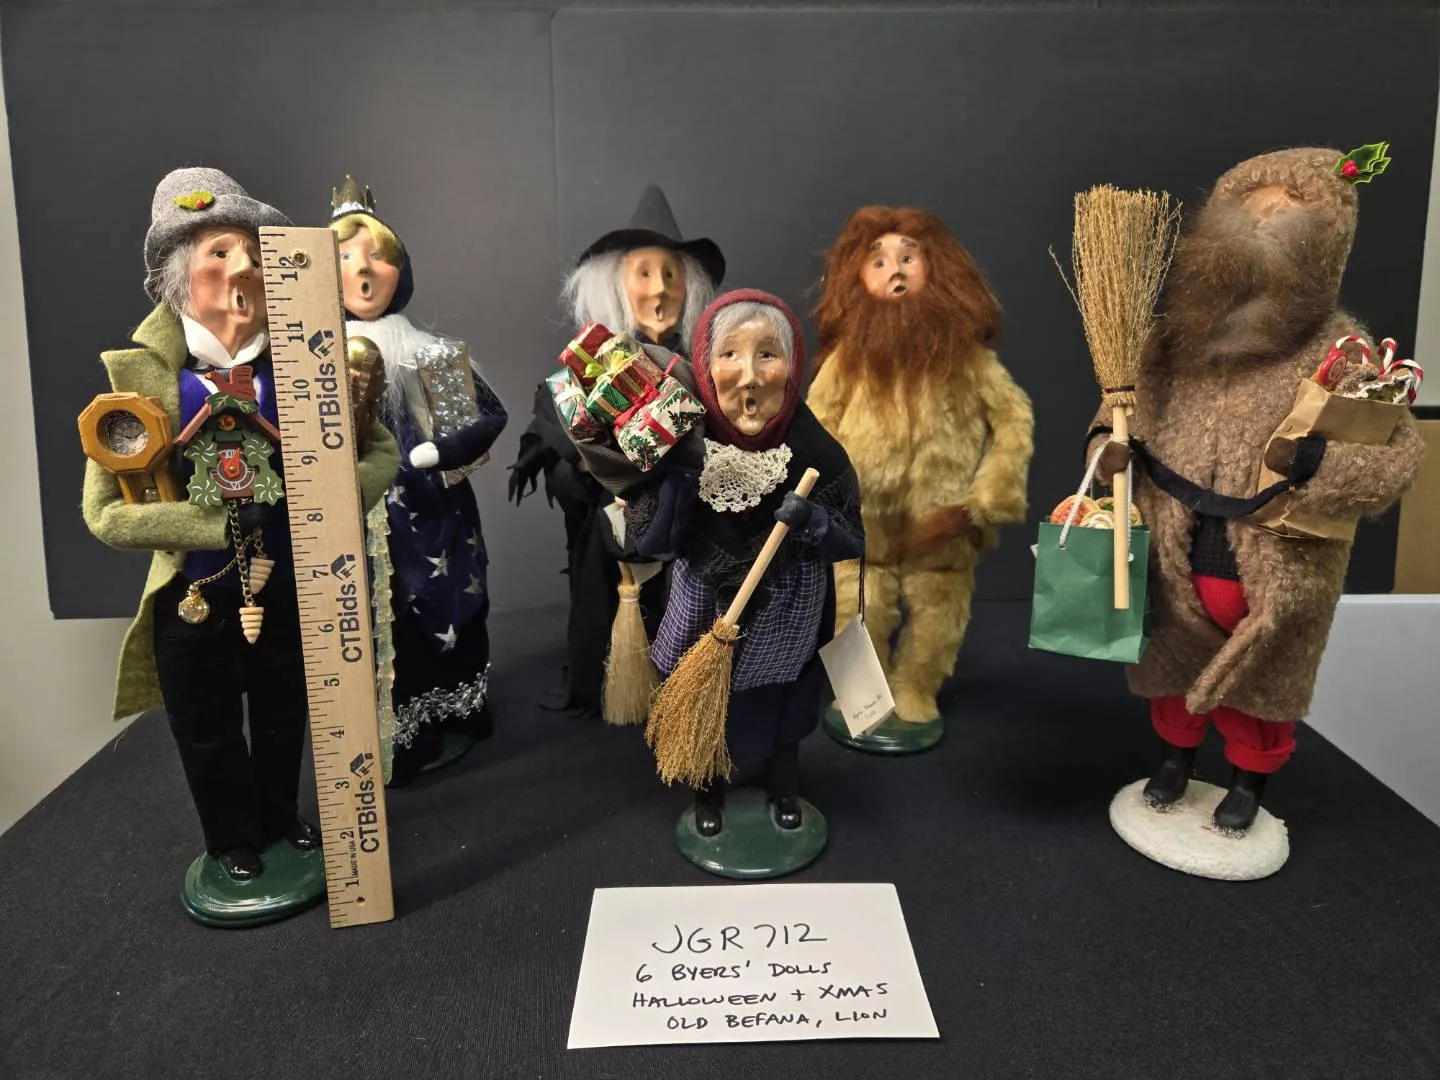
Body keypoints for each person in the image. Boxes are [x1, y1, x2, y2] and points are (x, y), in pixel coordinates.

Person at [1089, 146, 1424, 832]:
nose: (1266, 223)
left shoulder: (1343, 355)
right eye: (1252, 210)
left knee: (1260, 690)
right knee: (1173, 673)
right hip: (1174, 561)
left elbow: (1397, 461)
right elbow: (1112, 416)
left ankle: (1247, 782)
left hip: (1275, 570)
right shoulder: (1168, 342)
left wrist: (1321, 465)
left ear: (1324, 247)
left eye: (1288, 214)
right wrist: (1107, 451)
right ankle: (1174, 762)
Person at [81, 167, 399, 891]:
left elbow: (379, 452)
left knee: (289, 705)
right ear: (177, 278)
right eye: (219, 252)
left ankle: (281, 814)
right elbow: (105, 512)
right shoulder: (144, 382)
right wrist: (205, 523)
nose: (242, 268)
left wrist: (322, 498)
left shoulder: (308, 365)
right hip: (197, 591)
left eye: (253, 252)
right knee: (206, 719)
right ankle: (231, 837)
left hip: (290, 579)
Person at [606, 290, 865, 835]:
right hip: (705, 609)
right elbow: (649, 545)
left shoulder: (817, 452)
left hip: (787, 613)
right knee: (705, 705)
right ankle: (707, 791)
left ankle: (784, 785)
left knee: (784, 707)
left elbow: (852, 542)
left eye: (767, 354)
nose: (748, 376)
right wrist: (678, 481)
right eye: (729, 355)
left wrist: (814, 522)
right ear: (705, 366)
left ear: (792, 369)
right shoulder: (683, 443)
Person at [807, 206, 1033, 728]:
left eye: (909, 258)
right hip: (861, 524)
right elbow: (815, 426)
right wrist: (829, 500)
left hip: (945, 522)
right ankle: (860, 695)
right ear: (856, 279)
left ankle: (916, 688)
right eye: (878, 261)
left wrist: (985, 502)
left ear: (938, 268)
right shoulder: (847, 361)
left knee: (939, 612)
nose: (896, 270)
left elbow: (1013, 419)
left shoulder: (969, 360)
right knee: (853, 605)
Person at [507, 185, 722, 720]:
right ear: (617, 285)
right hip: (608, 546)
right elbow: (551, 444)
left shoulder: (712, 369)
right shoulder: (584, 372)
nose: (660, 289)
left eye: (671, 274)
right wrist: (588, 470)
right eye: (644, 273)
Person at [329, 176, 508, 785]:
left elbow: (485, 420)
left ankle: (456, 710)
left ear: (399, 271)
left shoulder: (426, 352)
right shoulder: (308, 363)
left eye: (376, 255)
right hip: (356, 520)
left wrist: (439, 451)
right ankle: (391, 729)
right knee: (379, 618)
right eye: (346, 257)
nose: (362, 269)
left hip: (433, 515)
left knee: (447, 604)